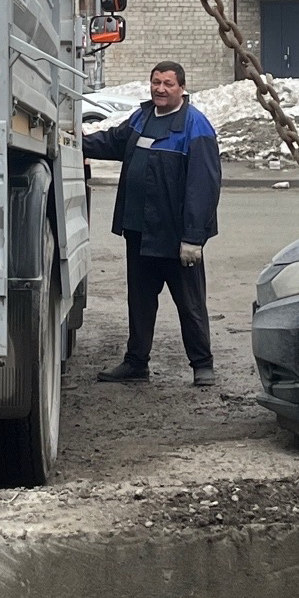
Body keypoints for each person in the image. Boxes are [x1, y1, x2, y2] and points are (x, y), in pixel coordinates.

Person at [85, 61, 221, 388]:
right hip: (139, 232)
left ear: (181, 88)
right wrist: (77, 142)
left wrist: (193, 238)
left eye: (168, 84)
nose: (160, 88)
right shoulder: (141, 118)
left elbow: (203, 186)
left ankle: (202, 365)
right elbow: (114, 142)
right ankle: (136, 363)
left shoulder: (195, 127)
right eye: (156, 82)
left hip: (175, 238)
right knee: (141, 302)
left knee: (189, 304)